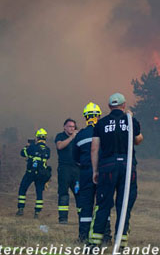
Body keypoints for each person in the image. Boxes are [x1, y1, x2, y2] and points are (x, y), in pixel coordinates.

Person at [88, 93, 143, 247]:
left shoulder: (101, 123)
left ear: (109, 107)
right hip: (127, 167)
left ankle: (94, 242)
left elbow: (94, 149)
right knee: (124, 204)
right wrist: (130, 118)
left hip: (107, 167)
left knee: (103, 204)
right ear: (124, 105)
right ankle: (121, 243)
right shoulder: (131, 121)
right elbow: (138, 140)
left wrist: (95, 171)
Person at [72, 102, 111, 243]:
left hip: (86, 173)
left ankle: (83, 236)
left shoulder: (80, 135)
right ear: (99, 116)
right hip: (104, 172)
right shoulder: (105, 132)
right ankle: (105, 237)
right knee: (103, 204)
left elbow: (75, 158)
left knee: (86, 205)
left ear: (86, 117)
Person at [17, 129, 52, 218]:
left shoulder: (32, 147)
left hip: (30, 173)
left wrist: (27, 146)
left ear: (37, 137)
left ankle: (21, 209)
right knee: (39, 192)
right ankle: (37, 212)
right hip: (41, 174)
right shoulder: (48, 150)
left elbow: (22, 153)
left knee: (22, 189)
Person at [55, 118, 79, 224]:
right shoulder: (60, 136)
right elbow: (59, 146)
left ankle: (82, 217)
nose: (71, 128)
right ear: (64, 127)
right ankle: (63, 219)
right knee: (63, 193)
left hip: (77, 169)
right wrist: (71, 138)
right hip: (64, 168)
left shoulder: (78, 138)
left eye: (73, 127)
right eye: (69, 126)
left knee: (79, 193)